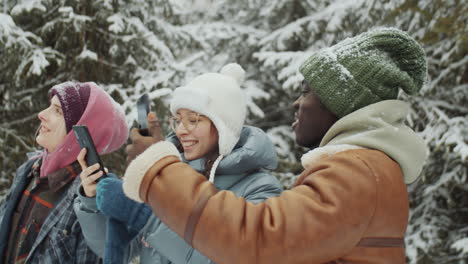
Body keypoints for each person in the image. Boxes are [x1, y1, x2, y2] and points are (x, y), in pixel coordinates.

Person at [121, 27, 428, 263]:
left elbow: (255, 239)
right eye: (179, 119)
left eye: (307, 92)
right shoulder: (366, 168)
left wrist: (158, 169)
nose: (297, 103)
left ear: (340, 104)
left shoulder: (356, 171)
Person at [74, 63, 283, 263]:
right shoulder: (170, 173)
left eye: (193, 120)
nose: (181, 130)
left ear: (223, 127)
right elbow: (119, 249)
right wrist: (93, 201)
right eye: (177, 119)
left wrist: (148, 219)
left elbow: (232, 257)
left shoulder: (260, 189)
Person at [0, 81, 128, 263]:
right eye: (49, 107)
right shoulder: (28, 171)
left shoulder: (92, 199)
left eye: (58, 111)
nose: (41, 114)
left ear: (83, 130)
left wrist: (93, 203)